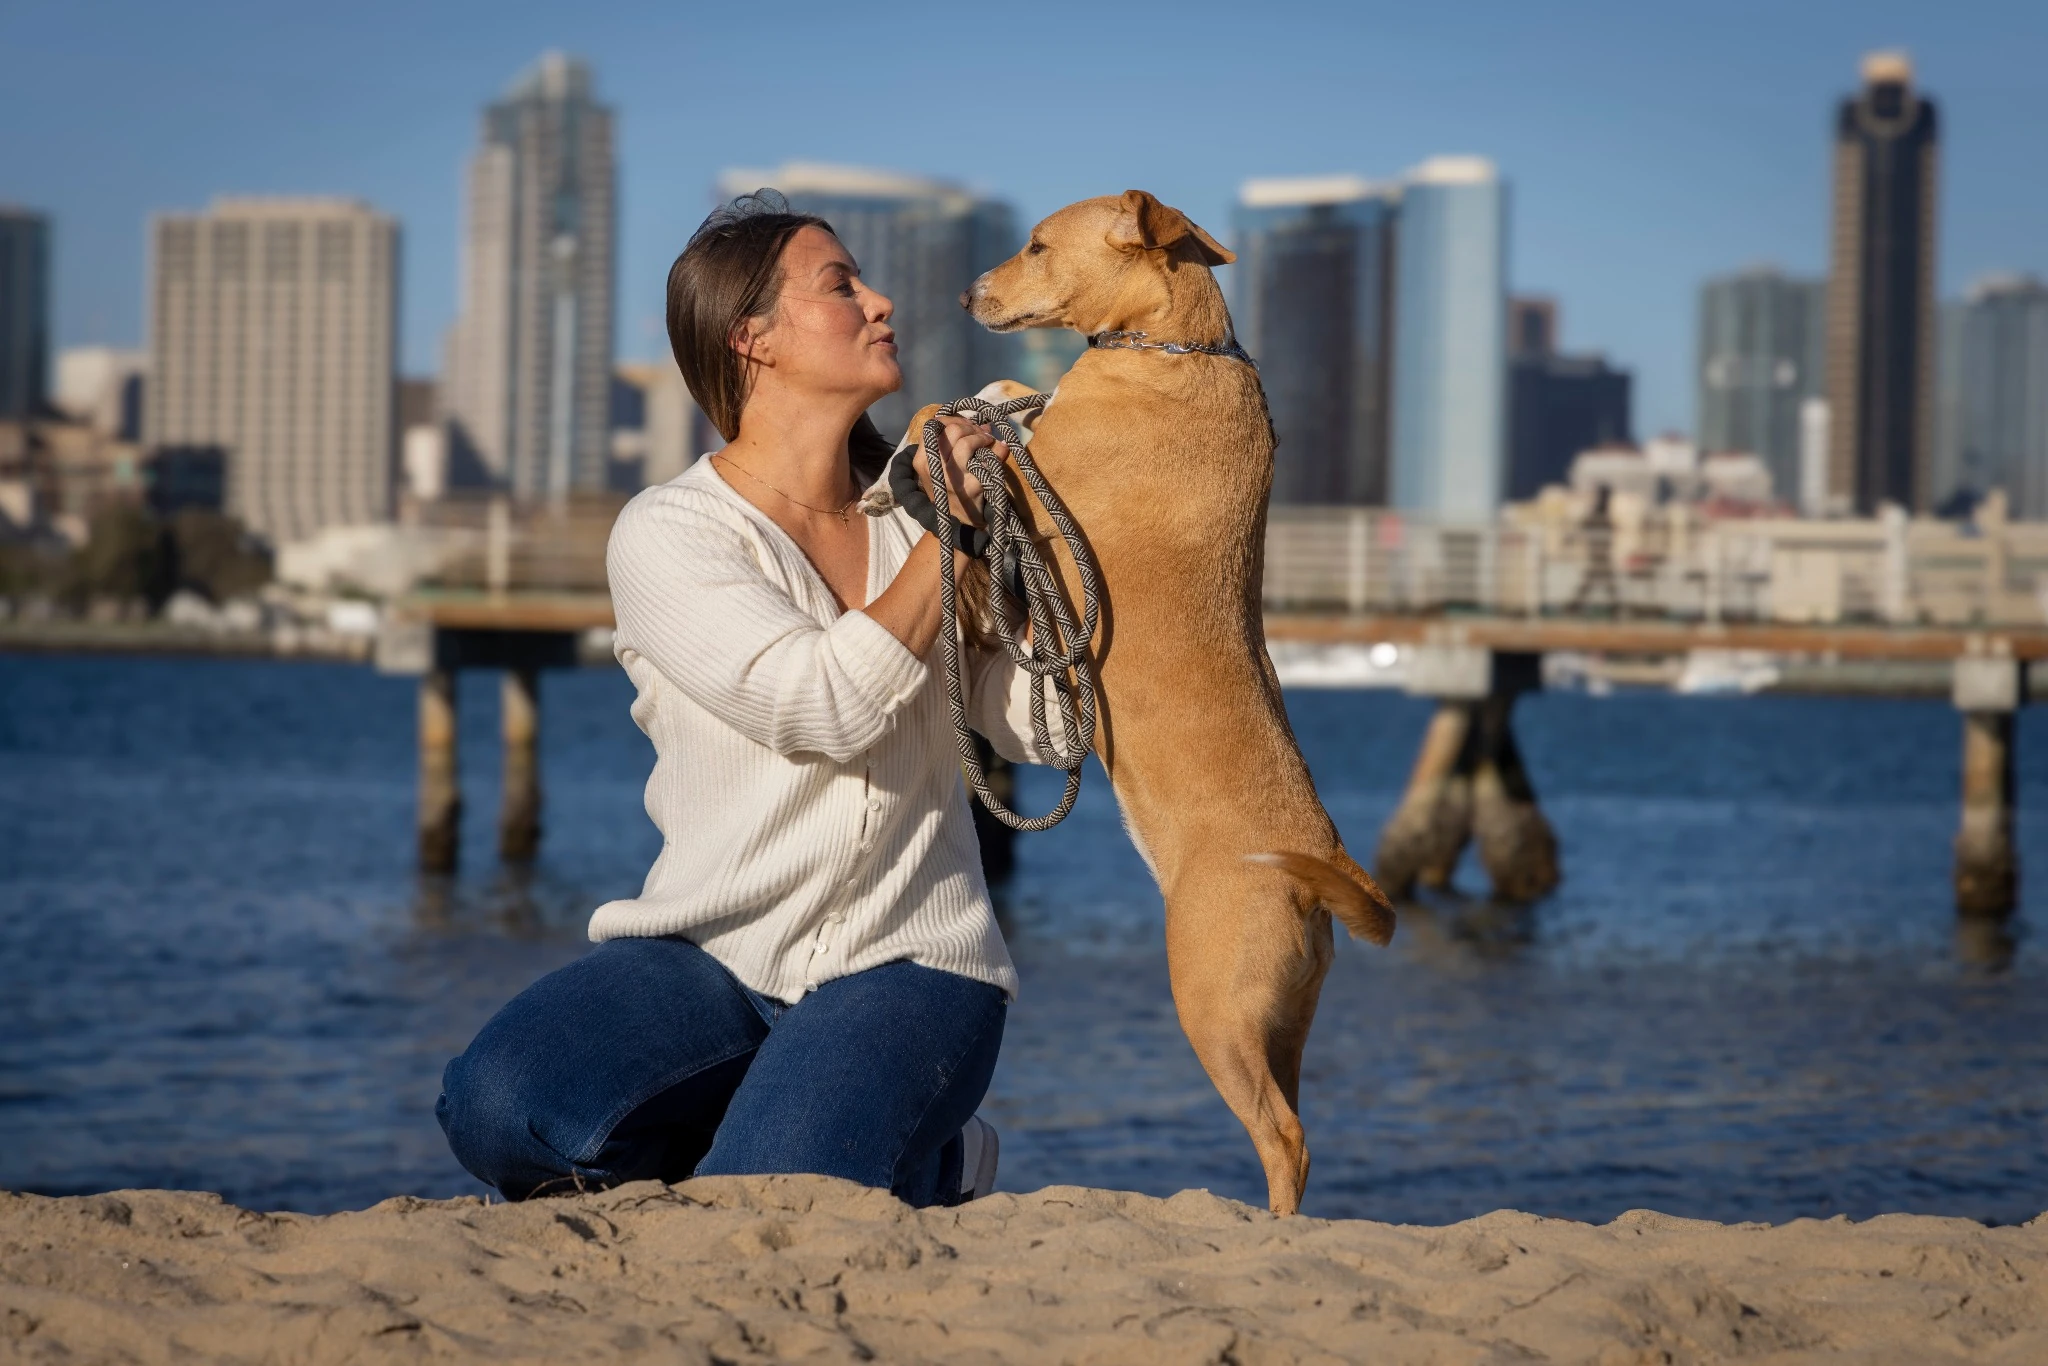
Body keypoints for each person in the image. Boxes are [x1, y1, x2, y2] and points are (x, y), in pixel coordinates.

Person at [435, 191, 1060, 1208]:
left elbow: (1041, 727)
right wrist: (947, 545)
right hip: (711, 957)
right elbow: (818, 707)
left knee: (764, 1200)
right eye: (839, 284)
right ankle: (899, 1149)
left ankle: (904, 1145)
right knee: (500, 1105)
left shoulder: (923, 524)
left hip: (909, 963)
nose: (881, 299)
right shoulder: (671, 531)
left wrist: (1029, 562)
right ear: (750, 338)